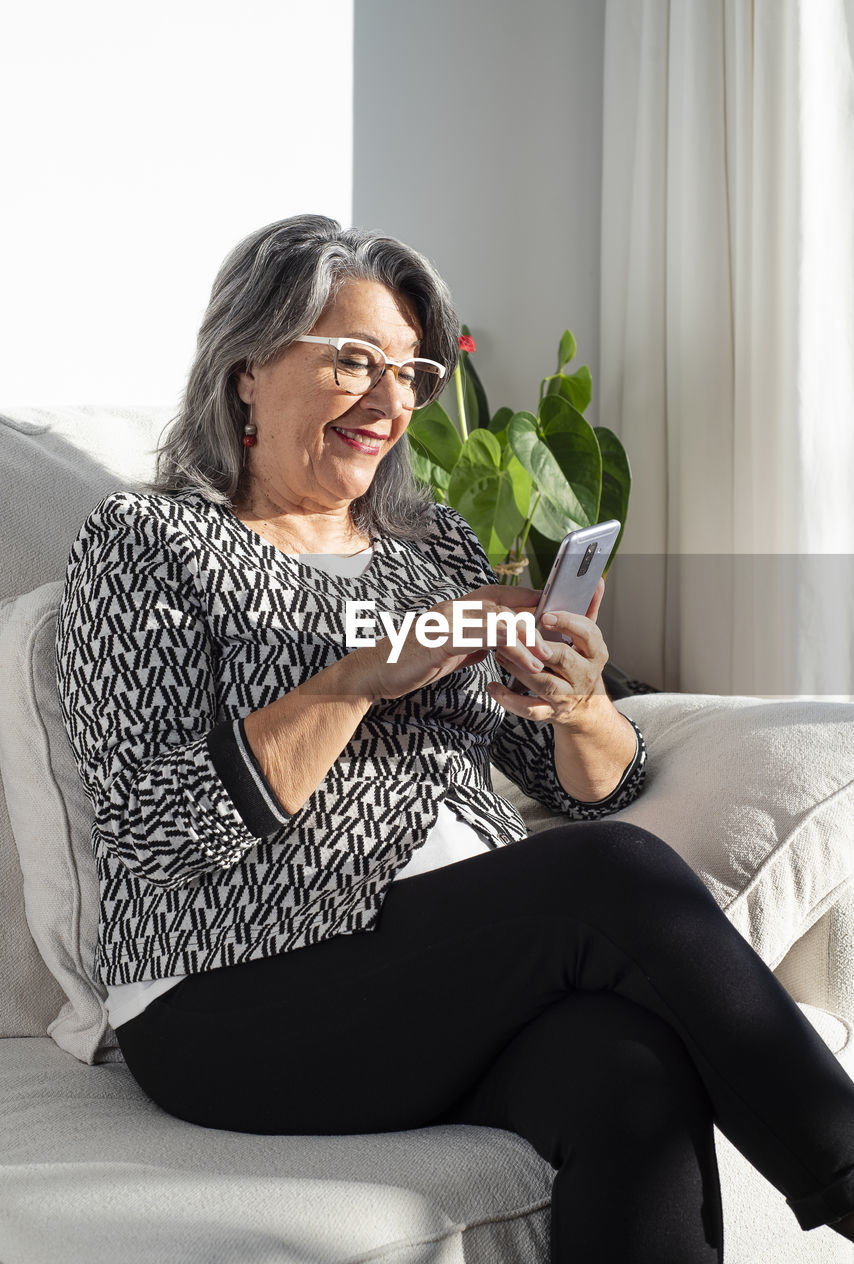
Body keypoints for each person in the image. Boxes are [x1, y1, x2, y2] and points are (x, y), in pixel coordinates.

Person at [56, 214, 854, 1263]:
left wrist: (578, 709)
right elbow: (152, 825)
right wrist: (355, 678)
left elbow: (589, 794)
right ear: (247, 367)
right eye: (353, 362)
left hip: (448, 970)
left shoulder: (429, 549)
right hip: (233, 993)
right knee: (606, 875)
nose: (390, 403)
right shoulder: (152, 543)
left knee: (630, 1067)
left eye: (411, 373)